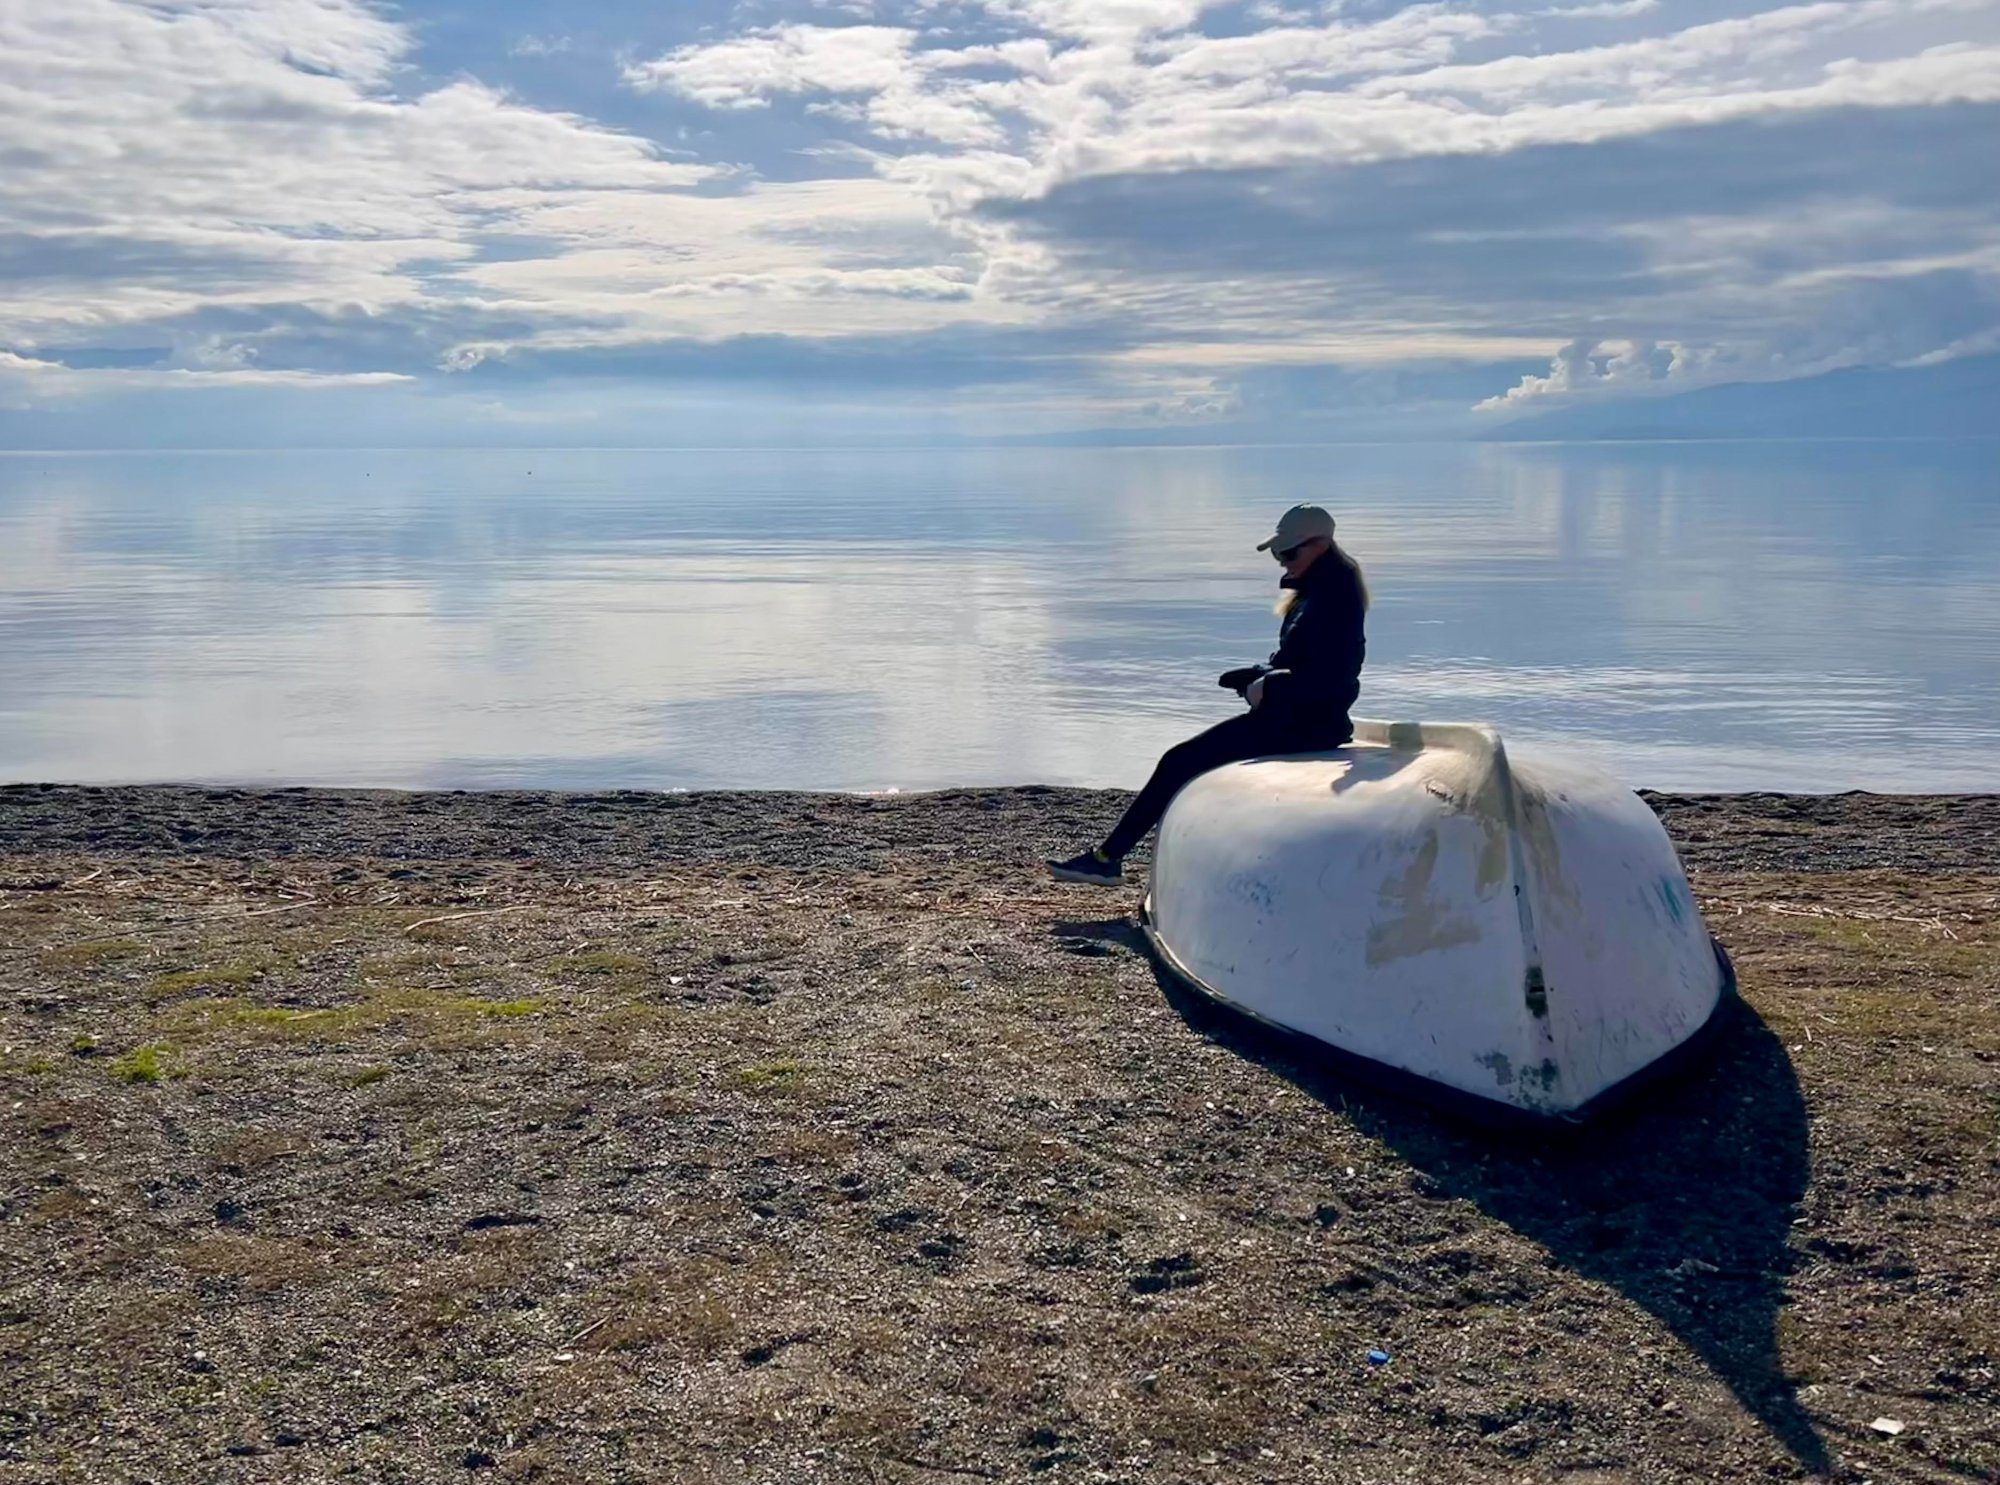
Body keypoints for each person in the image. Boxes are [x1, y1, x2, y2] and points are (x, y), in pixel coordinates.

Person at [1047, 503, 1368, 885]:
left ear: (1321, 545)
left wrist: (1267, 686)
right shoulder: (1319, 591)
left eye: (1289, 552)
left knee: (1179, 761)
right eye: (1278, 554)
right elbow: (1305, 662)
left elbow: (1335, 679)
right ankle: (1112, 858)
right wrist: (1258, 674)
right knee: (1183, 760)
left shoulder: (1334, 599)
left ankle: (1107, 859)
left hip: (1307, 726)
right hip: (1294, 718)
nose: (1282, 562)